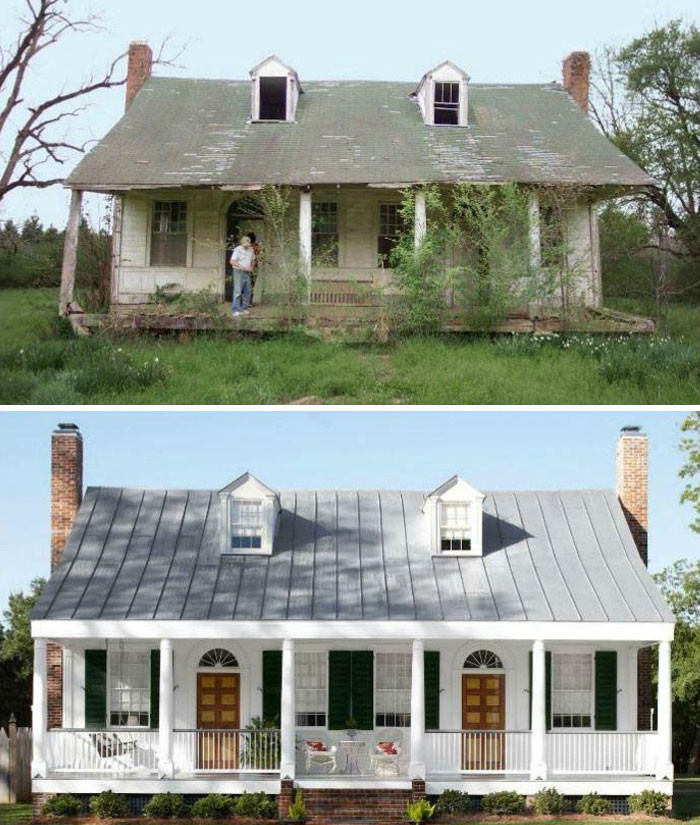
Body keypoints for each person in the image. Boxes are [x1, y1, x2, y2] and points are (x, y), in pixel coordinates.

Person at [230, 235, 255, 315]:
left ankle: (244, 308)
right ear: (242, 243)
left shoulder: (251, 250)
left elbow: (253, 259)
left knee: (248, 290)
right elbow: (232, 261)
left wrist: (251, 267)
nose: (247, 246)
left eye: (248, 243)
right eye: (246, 244)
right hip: (238, 271)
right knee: (238, 291)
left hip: (247, 272)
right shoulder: (238, 249)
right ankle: (235, 310)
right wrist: (241, 266)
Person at [247, 231, 262, 306]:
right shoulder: (257, 246)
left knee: (245, 284)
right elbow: (260, 254)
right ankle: (249, 302)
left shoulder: (246, 246)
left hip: (245, 267)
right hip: (255, 266)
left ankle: (245, 302)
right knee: (252, 285)